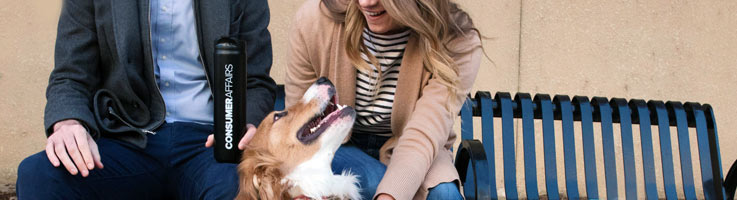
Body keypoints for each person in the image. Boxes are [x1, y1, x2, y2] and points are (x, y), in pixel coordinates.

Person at [16, 0, 276, 199]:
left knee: (240, 189)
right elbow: (70, 76)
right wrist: (68, 122)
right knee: (39, 175)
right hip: (128, 137)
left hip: (211, 143)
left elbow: (256, 81)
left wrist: (247, 123)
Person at [284, 0, 482, 199]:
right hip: (334, 146)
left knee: (445, 194)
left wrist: (392, 194)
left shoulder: (458, 40)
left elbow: (423, 134)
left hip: (415, 146)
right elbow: (297, 129)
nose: (366, 3)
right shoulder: (314, 20)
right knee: (373, 181)